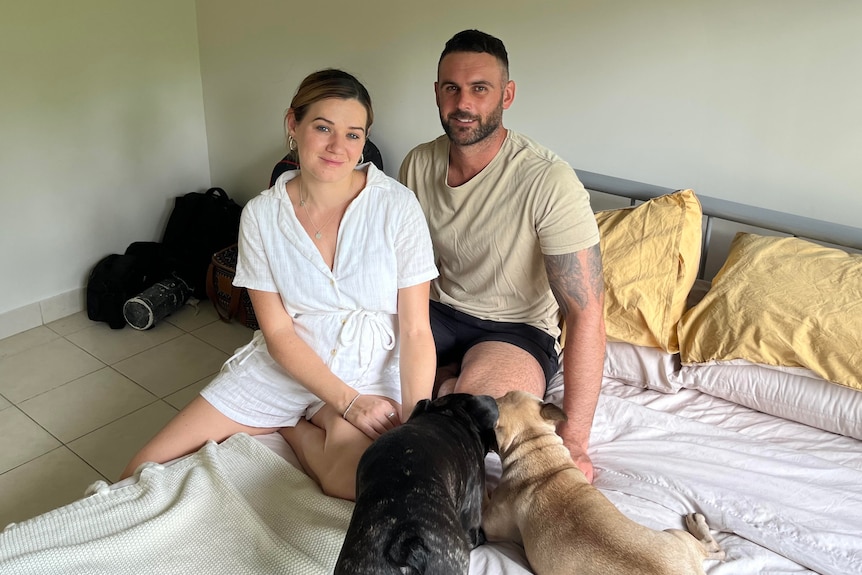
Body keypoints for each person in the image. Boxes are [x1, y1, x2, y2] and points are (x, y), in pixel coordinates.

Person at [121, 69, 439, 500]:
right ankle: (306, 415)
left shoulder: (397, 206)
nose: (337, 147)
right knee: (141, 469)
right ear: (294, 125)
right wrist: (346, 403)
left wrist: (414, 420)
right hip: (289, 366)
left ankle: (296, 428)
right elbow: (278, 332)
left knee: (358, 480)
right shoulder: (261, 215)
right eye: (323, 128)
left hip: (371, 367)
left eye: (353, 134)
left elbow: (417, 330)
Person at [398, 30, 606, 483]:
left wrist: (575, 442)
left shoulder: (548, 180)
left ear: (506, 95)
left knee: (469, 421)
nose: (463, 103)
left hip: (515, 329)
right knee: (364, 379)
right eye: (451, 88)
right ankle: (447, 377)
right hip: (434, 312)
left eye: (480, 88)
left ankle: (453, 381)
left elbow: (586, 311)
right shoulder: (416, 165)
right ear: (437, 92)